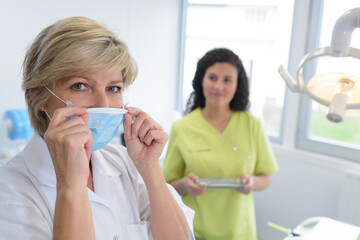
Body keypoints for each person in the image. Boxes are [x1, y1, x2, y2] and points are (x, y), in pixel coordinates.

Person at [0, 16, 195, 240]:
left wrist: (149, 168)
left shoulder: (128, 165)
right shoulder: (9, 190)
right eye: (80, 86)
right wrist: (71, 186)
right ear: (39, 96)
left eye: (113, 88)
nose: (103, 105)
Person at [162, 48, 278, 240]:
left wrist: (252, 183)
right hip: (196, 231)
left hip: (240, 233)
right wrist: (185, 184)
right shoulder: (182, 127)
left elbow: (266, 178)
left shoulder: (252, 125)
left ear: (237, 85)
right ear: (201, 80)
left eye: (227, 80)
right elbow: (168, 187)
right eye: (212, 78)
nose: (218, 86)